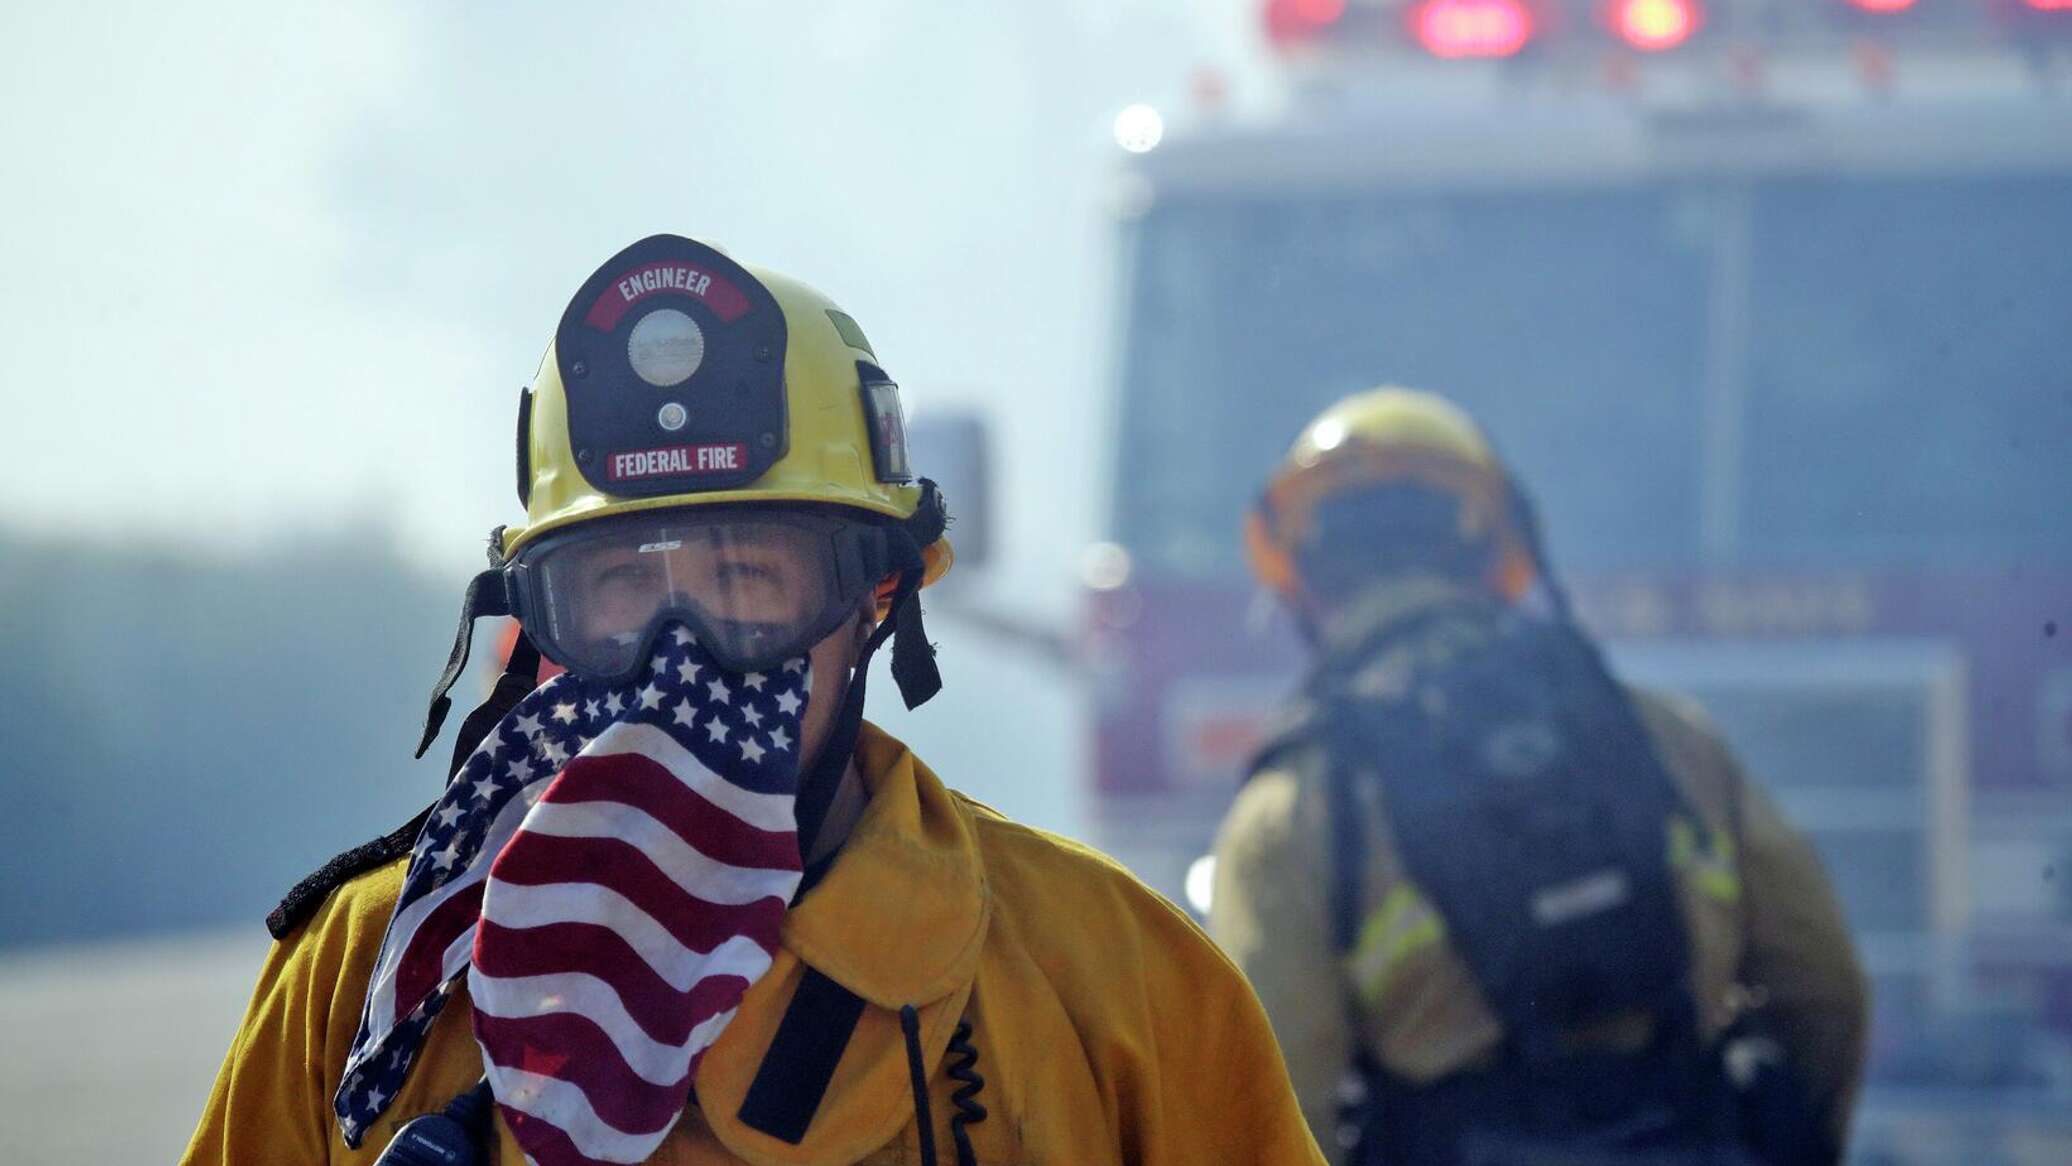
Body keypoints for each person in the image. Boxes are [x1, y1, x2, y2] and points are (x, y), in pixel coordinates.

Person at [185, 235, 1325, 1166]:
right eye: (621, 586)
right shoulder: (371, 980)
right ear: (542, 626)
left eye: (746, 579)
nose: (679, 654)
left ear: (874, 596)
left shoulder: (1113, 977)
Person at [1210, 387, 1868, 1165]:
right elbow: (1824, 990)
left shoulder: (1293, 807)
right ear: (1499, 557)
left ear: (1305, 582)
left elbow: (1271, 1112)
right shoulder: (1665, 736)